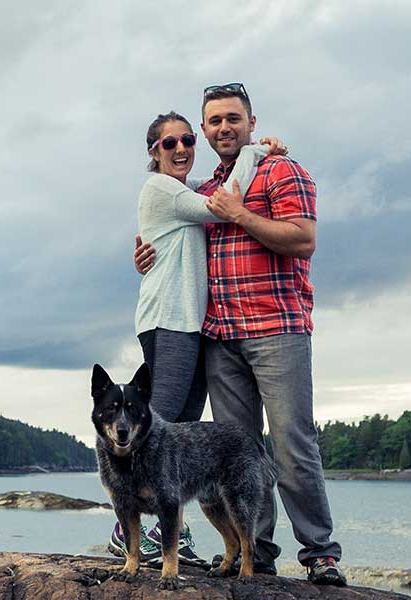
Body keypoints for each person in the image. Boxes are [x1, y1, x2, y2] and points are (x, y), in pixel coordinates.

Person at [134, 83, 346, 586]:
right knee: (240, 454)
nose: (222, 128)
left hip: (277, 327)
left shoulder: (281, 170)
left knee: (293, 444)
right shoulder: (203, 190)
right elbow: (171, 236)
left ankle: (319, 552)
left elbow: (304, 239)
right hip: (220, 336)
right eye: (213, 122)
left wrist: (243, 214)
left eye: (233, 118)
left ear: (251, 122)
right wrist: (143, 257)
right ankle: (260, 551)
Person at [108, 109, 287, 570]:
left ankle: (169, 530)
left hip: (189, 322)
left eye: (188, 139)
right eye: (170, 143)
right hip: (170, 320)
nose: (182, 148)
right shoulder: (161, 188)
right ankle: (124, 531)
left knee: (179, 427)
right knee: (159, 426)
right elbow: (226, 202)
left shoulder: (180, 193)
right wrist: (255, 151)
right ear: (154, 152)